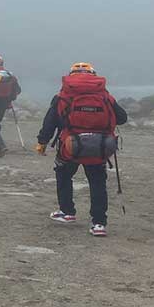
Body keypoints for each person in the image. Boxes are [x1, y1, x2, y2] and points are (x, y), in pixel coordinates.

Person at [35, 62, 128, 237]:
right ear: (94, 75)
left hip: (69, 145)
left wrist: (42, 142)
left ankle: (67, 212)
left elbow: (50, 122)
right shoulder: (106, 96)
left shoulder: (62, 96)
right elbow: (122, 118)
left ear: (70, 76)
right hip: (99, 146)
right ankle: (99, 224)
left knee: (63, 176)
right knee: (97, 182)